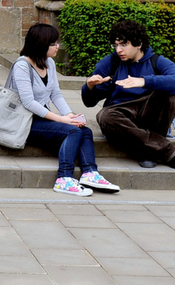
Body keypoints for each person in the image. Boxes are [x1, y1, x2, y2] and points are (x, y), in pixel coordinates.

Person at [13, 24, 119, 197]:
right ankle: (64, 178)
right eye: (53, 43)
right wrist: (62, 120)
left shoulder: (49, 63)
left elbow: (55, 93)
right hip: (25, 121)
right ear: (41, 43)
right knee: (72, 131)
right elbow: (28, 103)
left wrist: (69, 115)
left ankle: (90, 173)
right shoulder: (22, 66)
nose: (58, 46)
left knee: (84, 130)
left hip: (42, 118)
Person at [82, 19, 175, 170]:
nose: (118, 50)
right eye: (116, 45)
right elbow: (89, 102)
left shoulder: (156, 61)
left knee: (171, 95)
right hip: (122, 114)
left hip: (150, 114)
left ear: (138, 44)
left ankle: (147, 149)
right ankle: (166, 151)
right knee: (104, 116)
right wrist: (89, 87)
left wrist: (144, 81)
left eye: (124, 45)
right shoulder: (110, 63)